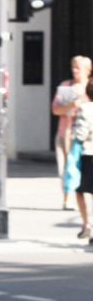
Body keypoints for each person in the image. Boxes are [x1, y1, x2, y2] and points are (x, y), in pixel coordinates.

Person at [53, 56, 92, 210]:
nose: (75, 71)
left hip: (87, 135)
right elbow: (55, 110)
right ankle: (67, 198)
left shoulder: (90, 87)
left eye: (78, 68)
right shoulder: (66, 86)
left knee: (84, 169)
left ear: (88, 70)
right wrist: (71, 105)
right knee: (65, 167)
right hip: (66, 131)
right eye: (73, 67)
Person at [69, 78, 93, 240]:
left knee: (80, 190)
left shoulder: (86, 109)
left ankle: (87, 223)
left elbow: (81, 134)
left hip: (88, 155)